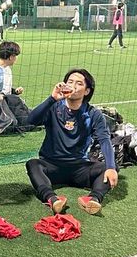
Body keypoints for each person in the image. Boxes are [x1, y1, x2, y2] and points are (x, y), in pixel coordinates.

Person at [25, 68, 118, 215]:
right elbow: (30, 121)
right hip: (51, 166)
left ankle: (93, 199)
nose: (73, 86)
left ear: (87, 91)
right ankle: (52, 198)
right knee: (33, 164)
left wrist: (111, 167)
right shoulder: (53, 107)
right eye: (70, 82)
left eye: (79, 83)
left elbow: (105, 140)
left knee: (110, 167)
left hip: (79, 168)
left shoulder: (93, 114)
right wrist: (52, 98)